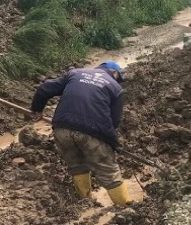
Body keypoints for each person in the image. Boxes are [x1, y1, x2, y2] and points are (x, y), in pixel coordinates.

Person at [30, 60, 132, 206]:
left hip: (62, 128)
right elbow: (113, 122)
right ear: (114, 73)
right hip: (93, 132)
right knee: (109, 171)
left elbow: (44, 88)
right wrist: (111, 143)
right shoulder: (116, 88)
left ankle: (85, 202)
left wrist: (37, 109)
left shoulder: (75, 73)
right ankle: (126, 208)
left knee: (76, 165)